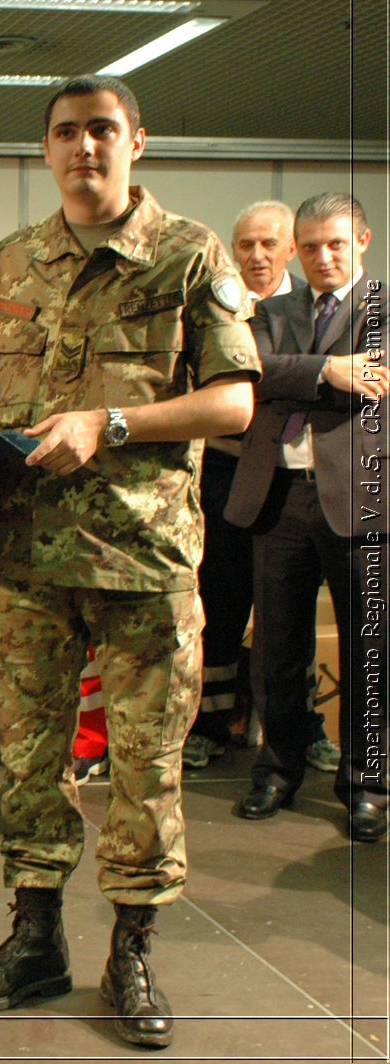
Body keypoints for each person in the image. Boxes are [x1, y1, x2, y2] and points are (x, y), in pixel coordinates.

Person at [0, 76, 257, 1050]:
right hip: (29, 562)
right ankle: (33, 936)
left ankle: (131, 949)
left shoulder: (187, 254)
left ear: (136, 142)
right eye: (65, 132)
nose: (83, 147)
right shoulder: (6, 266)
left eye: (101, 131)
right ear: (44, 149)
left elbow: (234, 403)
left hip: (144, 560)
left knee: (143, 770)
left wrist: (110, 421)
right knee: (30, 762)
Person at [225, 192, 387, 842]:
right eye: (312, 246)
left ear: (363, 242)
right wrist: (329, 370)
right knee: (277, 648)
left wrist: (311, 374)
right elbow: (255, 371)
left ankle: (367, 786)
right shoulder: (270, 310)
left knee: (367, 650)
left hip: (361, 501)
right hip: (281, 496)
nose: (323, 257)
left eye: (336, 245)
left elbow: (374, 375)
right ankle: (277, 769)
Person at [185, 200, 311, 771]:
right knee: (221, 598)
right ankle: (210, 724)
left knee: (289, 610)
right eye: (244, 245)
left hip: (289, 475)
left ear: (291, 248)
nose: (256, 256)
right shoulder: (213, 302)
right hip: (223, 469)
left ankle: (300, 729)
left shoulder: (315, 307)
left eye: (268, 244)